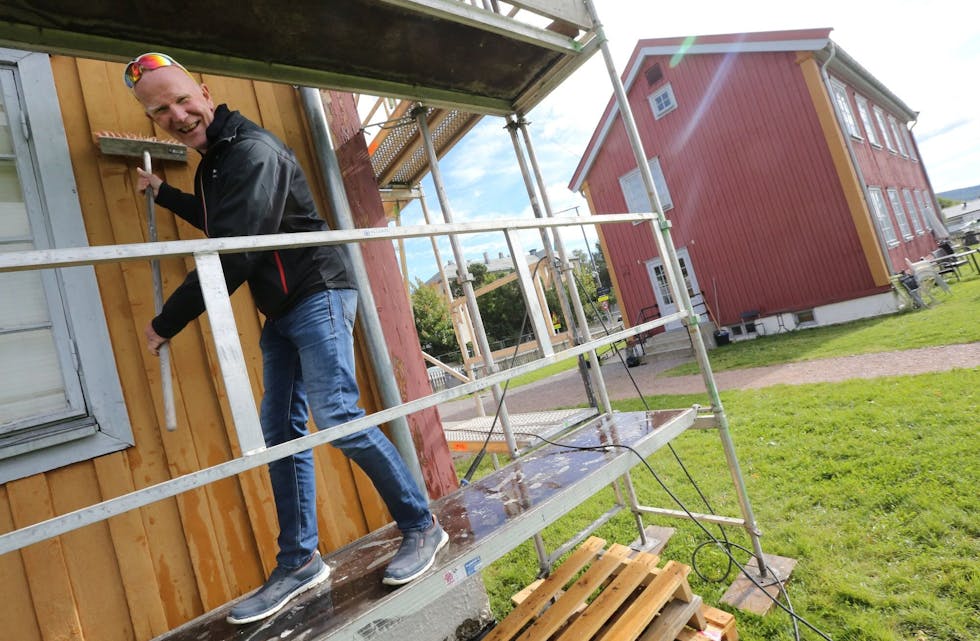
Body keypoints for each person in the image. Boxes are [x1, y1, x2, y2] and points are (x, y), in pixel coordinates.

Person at [124, 52, 447, 625]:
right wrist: (163, 193)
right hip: (282, 307)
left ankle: (422, 526)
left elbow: (234, 252)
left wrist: (164, 323)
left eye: (182, 99)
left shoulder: (251, 150)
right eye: (161, 111)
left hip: (316, 289)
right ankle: (300, 562)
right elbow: (223, 222)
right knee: (280, 432)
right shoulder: (217, 160)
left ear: (205, 93)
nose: (177, 115)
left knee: (336, 413)